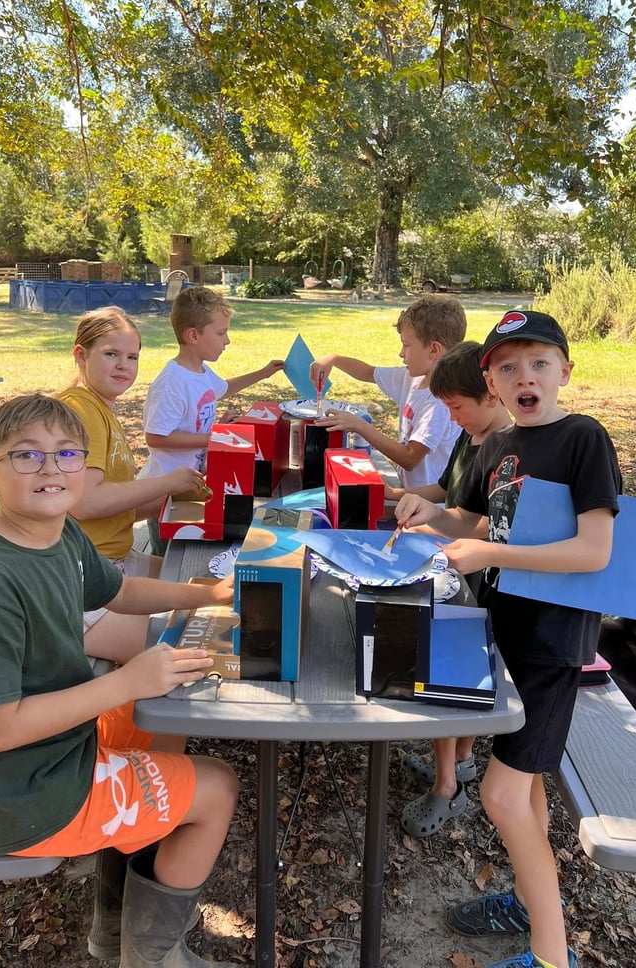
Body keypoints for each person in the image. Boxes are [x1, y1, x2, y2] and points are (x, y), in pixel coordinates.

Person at [0, 394, 240, 968]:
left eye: (66, 453)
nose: (50, 468)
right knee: (218, 787)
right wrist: (126, 683)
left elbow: (118, 592)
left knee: (168, 721)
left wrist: (205, 595)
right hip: (26, 793)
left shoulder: (59, 534)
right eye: (26, 456)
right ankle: (151, 958)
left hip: (56, 748)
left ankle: (114, 924)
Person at [395, 310, 622, 968]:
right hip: (504, 630)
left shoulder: (583, 439)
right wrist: (427, 512)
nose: (526, 377)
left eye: (540, 363)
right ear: (491, 381)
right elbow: (471, 517)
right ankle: (528, 899)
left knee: (498, 794)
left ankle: (553, 957)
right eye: (509, 366)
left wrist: (488, 552)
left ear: (565, 372)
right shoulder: (496, 448)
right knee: (520, 790)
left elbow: (594, 550)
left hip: (552, 643)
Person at [393, 340, 511, 838]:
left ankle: (448, 788)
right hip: (452, 568)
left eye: (456, 406)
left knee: (448, 682)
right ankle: (459, 760)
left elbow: (488, 524)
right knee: (457, 684)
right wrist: (395, 496)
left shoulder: (509, 449)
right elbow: (444, 492)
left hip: (475, 581)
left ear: (490, 393)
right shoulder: (472, 433)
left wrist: (436, 523)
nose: (451, 417)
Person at [59, 307, 205, 664]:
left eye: (132, 357)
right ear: (81, 355)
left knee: (200, 584)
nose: (124, 365)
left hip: (115, 560)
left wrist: (171, 497)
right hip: (78, 581)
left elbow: (114, 506)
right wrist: (165, 482)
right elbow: (86, 503)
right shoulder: (80, 410)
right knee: (192, 646)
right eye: (111, 354)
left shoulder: (101, 409)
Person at [139, 286, 284, 549]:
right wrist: (213, 436)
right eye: (221, 333)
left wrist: (263, 373)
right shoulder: (172, 381)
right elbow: (156, 437)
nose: (226, 341)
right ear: (193, 335)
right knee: (170, 560)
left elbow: (223, 389)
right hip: (164, 495)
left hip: (190, 486)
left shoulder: (201, 372)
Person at [309, 294, 467, 490]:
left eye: (406, 345)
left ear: (434, 350)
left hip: (429, 509)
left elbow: (410, 458)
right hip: (410, 496)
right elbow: (368, 372)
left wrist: (360, 426)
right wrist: (333, 359)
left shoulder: (439, 402)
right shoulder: (411, 378)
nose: (401, 352)